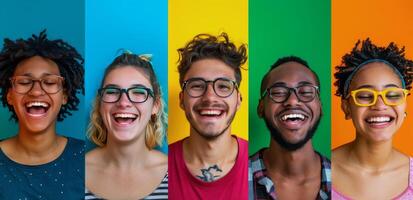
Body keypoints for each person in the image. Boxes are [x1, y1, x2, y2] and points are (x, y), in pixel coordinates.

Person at [0, 30, 84, 199]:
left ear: (64, 96)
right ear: (9, 95)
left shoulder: (86, 158)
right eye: (24, 82)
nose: (37, 91)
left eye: (50, 82)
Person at [168, 33, 248, 200]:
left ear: (239, 100)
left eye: (223, 86)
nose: (210, 97)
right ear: (182, 100)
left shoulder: (258, 167)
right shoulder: (159, 168)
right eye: (197, 86)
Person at [332, 38, 413, 199]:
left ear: (404, 106)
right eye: (365, 96)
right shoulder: (321, 171)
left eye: (392, 95)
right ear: (346, 107)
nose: (380, 105)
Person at [85, 52, 168, 199]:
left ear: (155, 105)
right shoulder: (74, 171)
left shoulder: (176, 174)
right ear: (100, 104)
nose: (123, 102)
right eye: (112, 91)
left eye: (138, 92)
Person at [249, 56, 331, 200]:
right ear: (261, 108)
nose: (292, 101)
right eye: (279, 92)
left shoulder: (347, 182)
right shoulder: (235, 179)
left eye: (306, 92)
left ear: (321, 108)